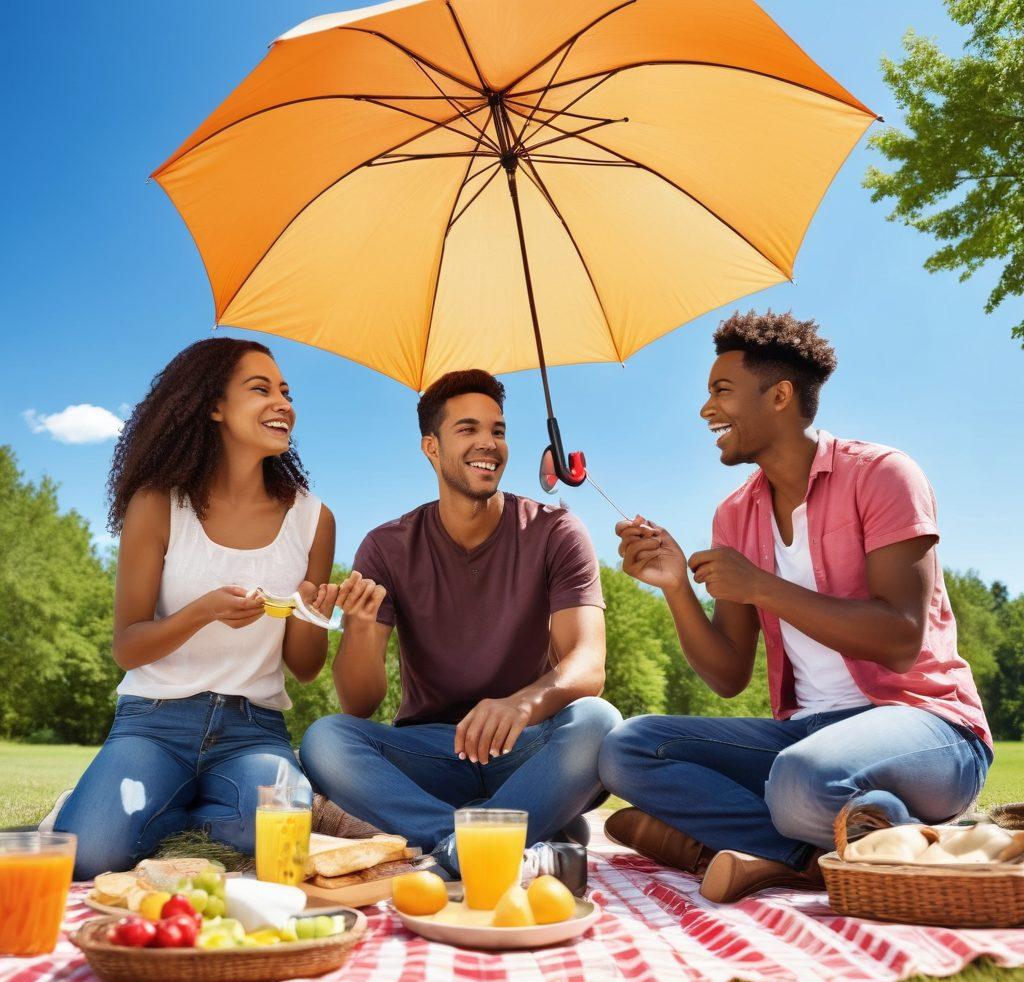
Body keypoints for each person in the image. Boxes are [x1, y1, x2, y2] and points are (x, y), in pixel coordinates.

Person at [600, 310, 992, 903]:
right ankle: (843, 845)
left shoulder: (883, 475)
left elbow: (902, 637)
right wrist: (677, 587)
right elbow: (729, 676)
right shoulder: (736, 514)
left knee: (801, 779)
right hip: (808, 736)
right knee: (627, 747)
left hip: (932, 728)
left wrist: (762, 587)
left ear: (779, 395)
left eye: (721, 391)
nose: (707, 410)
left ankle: (743, 841)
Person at [300, 370, 620, 887]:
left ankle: (457, 848)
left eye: (497, 430)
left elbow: (587, 666)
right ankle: (508, 831)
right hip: (429, 754)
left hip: (526, 744)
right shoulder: (386, 546)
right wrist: (358, 628)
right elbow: (357, 705)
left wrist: (521, 704)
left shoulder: (557, 531)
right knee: (325, 739)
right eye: (468, 429)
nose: (488, 444)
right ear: (431, 446)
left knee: (599, 721)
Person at [55, 339, 339, 880]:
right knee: (89, 857)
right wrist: (202, 612)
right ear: (213, 406)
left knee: (280, 833)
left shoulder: (313, 519)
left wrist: (307, 610)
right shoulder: (158, 502)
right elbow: (127, 645)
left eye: (286, 391)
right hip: (154, 723)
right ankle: (136, 801)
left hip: (254, 730)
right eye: (260, 389)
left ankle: (161, 810)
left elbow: (304, 667)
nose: (283, 403)